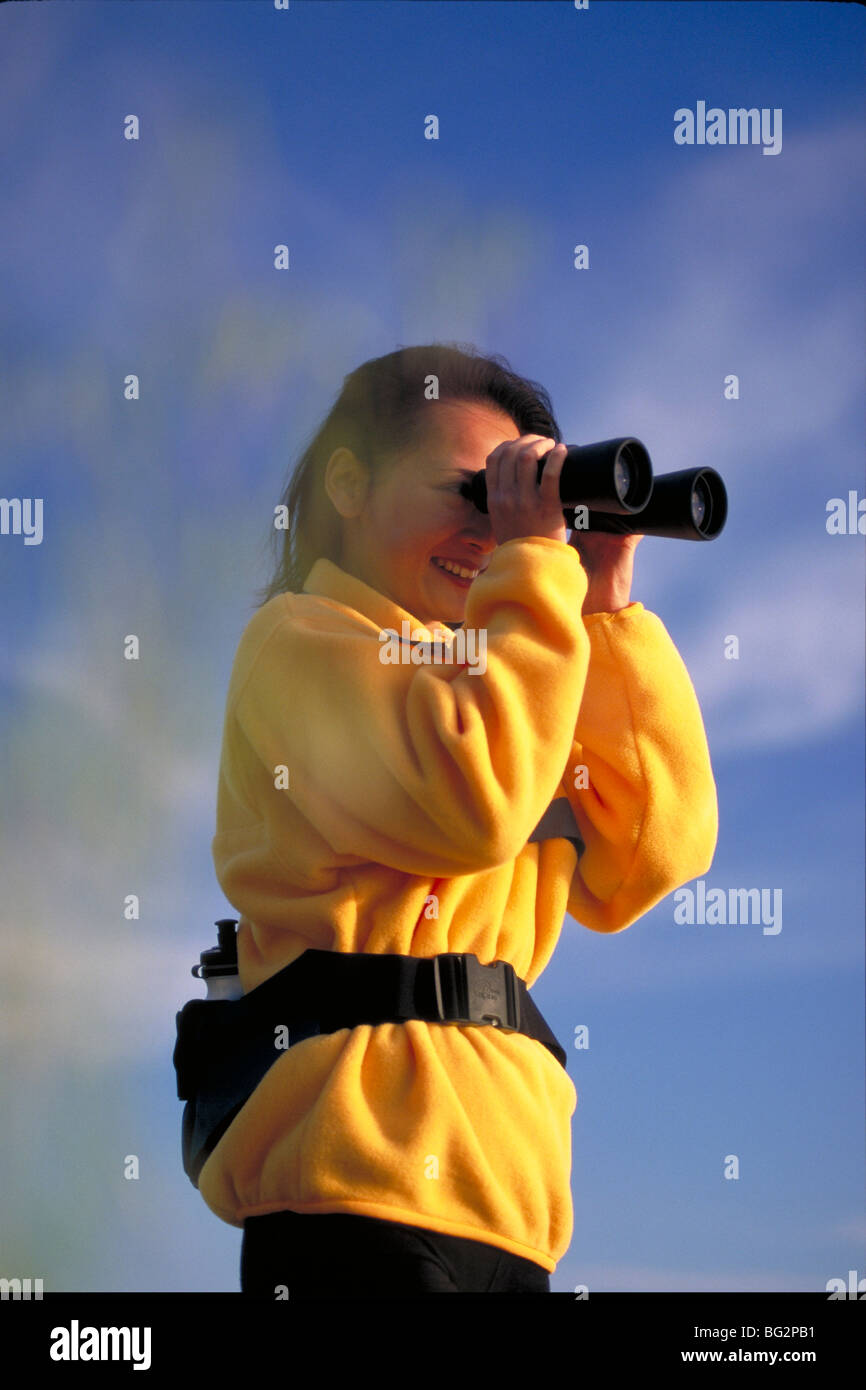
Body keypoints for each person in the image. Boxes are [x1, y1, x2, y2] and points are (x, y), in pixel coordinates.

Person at [200, 343, 718, 1296]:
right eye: (473, 492)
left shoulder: (511, 675)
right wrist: (533, 565)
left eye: (522, 501)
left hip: (509, 1197)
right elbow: (472, 804)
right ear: (350, 482)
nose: (493, 531)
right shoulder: (298, 644)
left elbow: (652, 857)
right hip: (350, 1192)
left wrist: (602, 602)